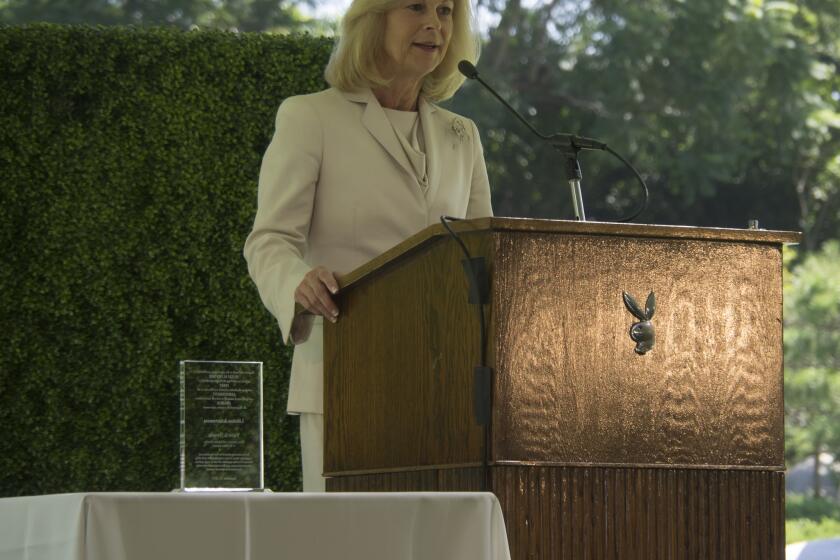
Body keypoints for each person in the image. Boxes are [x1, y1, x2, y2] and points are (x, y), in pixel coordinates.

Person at [243, 0, 493, 492]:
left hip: (445, 389)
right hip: (343, 375)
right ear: (373, 19)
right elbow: (269, 240)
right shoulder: (310, 117)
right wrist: (298, 282)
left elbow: (484, 254)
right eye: (416, 7)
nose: (433, 24)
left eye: (445, 11)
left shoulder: (463, 135)